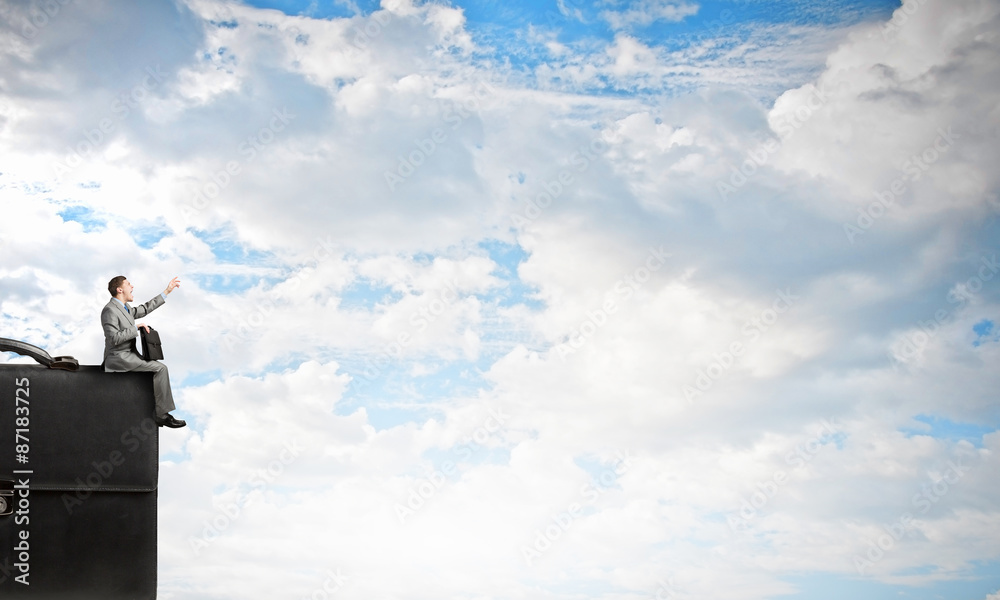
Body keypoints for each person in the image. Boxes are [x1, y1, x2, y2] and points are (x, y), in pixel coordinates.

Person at [101, 275, 185, 428]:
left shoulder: (125, 308)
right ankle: (161, 415)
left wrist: (167, 291)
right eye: (129, 284)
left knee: (157, 367)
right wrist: (136, 327)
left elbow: (145, 308)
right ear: (120, 289)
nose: (132, 287)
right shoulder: (110, 310)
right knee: (160, 369)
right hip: (118, 357)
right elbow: (113, 339)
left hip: (130, 354)